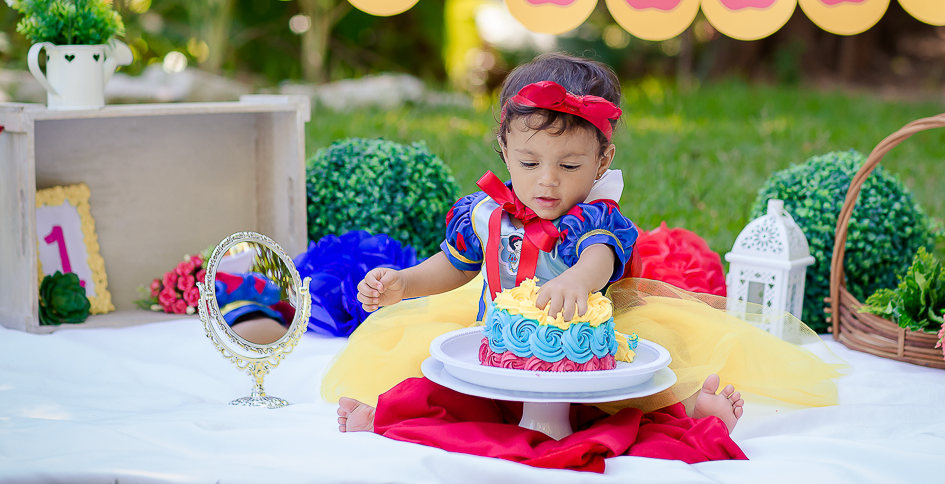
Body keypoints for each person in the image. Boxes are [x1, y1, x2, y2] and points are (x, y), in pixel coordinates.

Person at [323, 53, 844, 469]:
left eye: (570, 164)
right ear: (504, 150)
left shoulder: (593, 217)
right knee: (435, 384)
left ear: (602, 160)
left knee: (623, 399)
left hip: (581, 357)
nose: (547, 181)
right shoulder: (483, 213)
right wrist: (406, 283)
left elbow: (600, 257)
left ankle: (692, 412)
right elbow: (456, 264)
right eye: (530, 163)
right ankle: (385, 417)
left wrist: (577, 278)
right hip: (494, 347)